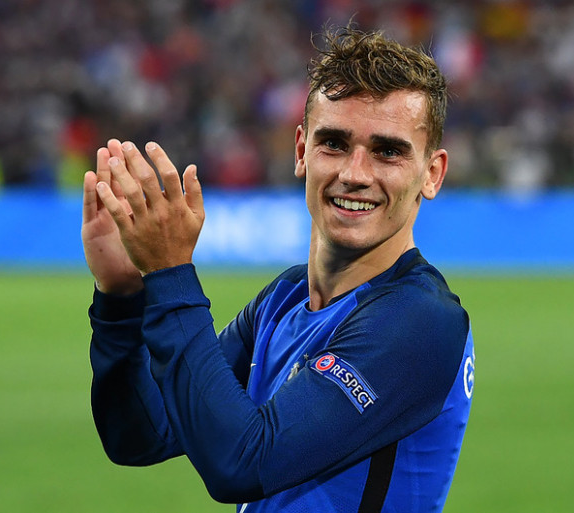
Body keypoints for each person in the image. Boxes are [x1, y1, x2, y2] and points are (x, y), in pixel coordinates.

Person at [82, 26, 475, 513]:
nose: (355, 173)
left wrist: (170, 274)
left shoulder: (421, 320)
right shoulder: (286, 296)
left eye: (388, 151)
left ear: (432, 174)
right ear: (301, 151)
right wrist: (122, 298)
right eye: (334, 143)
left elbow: (241, 464)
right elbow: (142, 434)